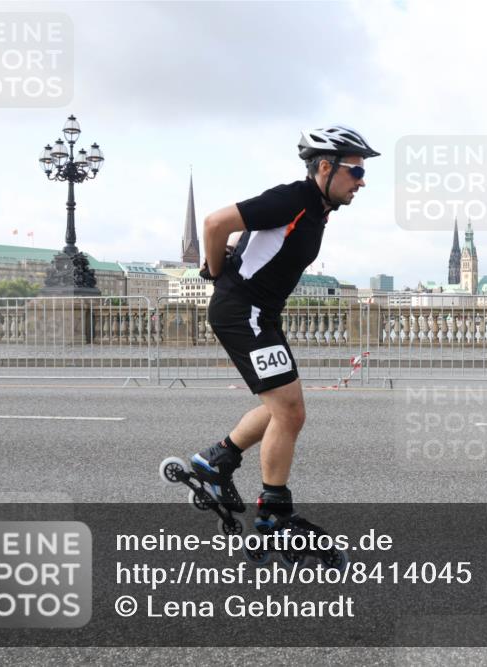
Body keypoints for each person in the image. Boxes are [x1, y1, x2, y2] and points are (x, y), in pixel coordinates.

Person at [190, 125, 379, 532]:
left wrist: (234, 259)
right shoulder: (292, 198)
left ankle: (217, 459)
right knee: (290, 411)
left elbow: (256, 240)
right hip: (243, 312)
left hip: (261, 314)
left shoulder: (318, 209)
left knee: (283, 407)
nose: (362, 182)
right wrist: (216, 270)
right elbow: (214, 222)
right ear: (325, 167)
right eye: (356, 172)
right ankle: (274, 508)